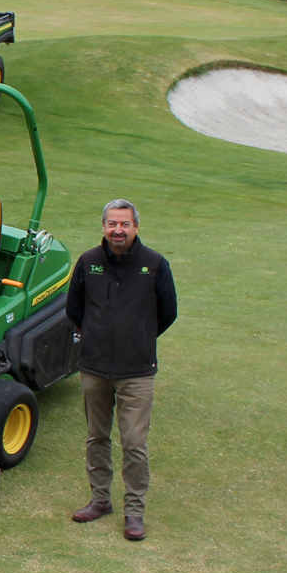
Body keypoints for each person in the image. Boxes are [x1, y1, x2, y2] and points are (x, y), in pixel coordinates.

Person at [65, 199, 177, 542]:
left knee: (134, 443)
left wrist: (138, 338)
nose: (118, 230)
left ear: (136, 227)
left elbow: (168, 312)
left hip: (137, 372)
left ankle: (134, 512)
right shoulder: (88, 262)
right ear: (103, 226)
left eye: (125, 224)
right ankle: (100, 500)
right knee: (96, 437)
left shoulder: (155, 265)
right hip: (95, 368)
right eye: (112, 223)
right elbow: (74, 307)